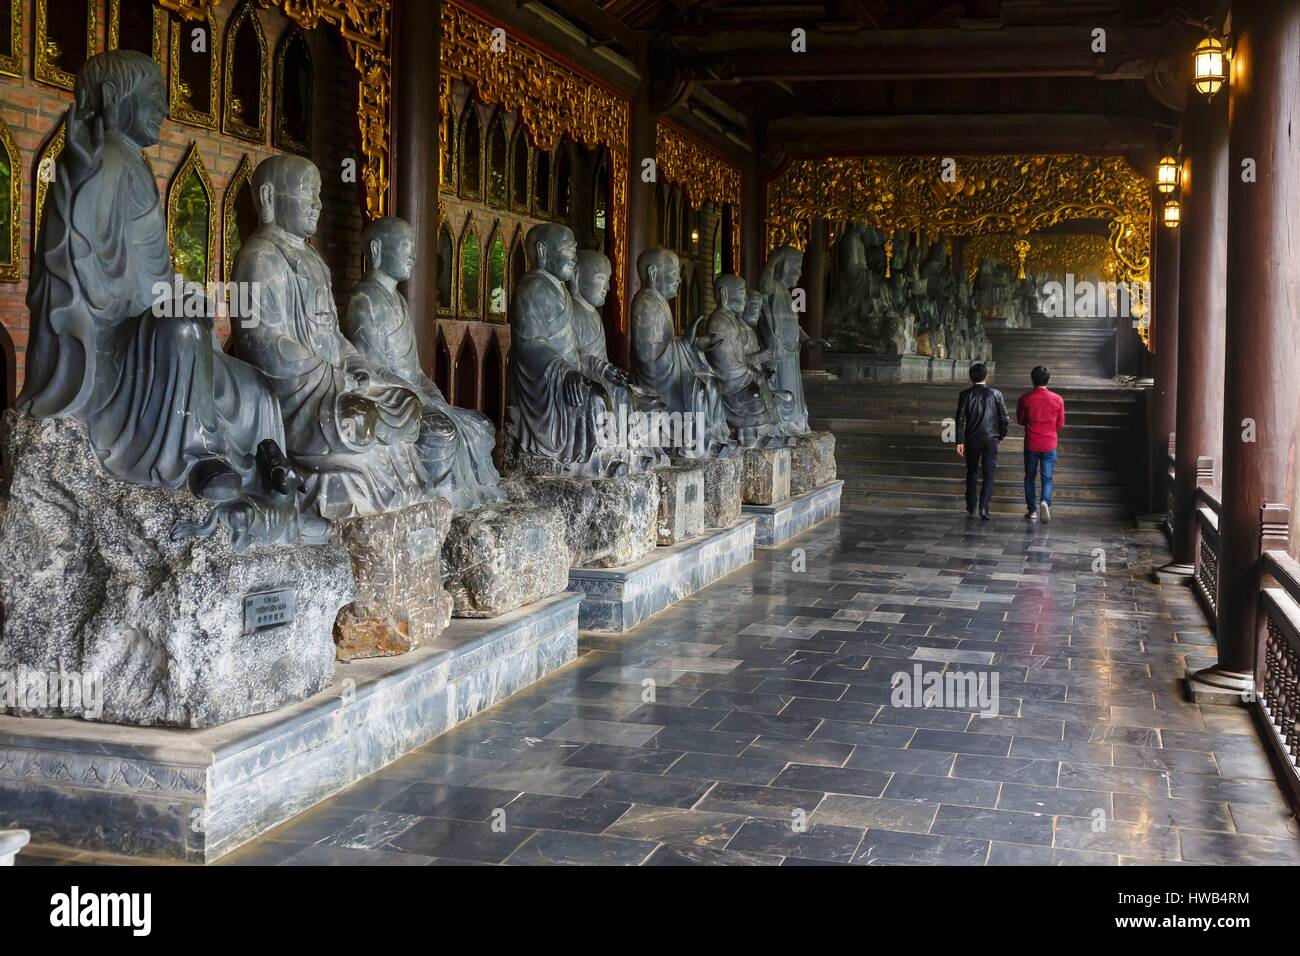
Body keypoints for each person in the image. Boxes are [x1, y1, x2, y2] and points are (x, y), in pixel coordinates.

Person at [955, 362, 1009, 519]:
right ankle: (984, 508)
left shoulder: (965, 394)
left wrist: (959, 440)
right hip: (990, 439)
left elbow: (960, 419)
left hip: (971, 439)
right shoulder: (996, 394)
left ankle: (970, 505)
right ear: (987, 376)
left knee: (971, 472)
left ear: (970, 377)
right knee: (989, 473)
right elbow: (1004, 418)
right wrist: (1001, 436)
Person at [1016, 364, 1066, 523]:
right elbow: (1060, 423)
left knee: (1029, 477)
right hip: (1049, 443)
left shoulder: (1025, 399)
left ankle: (1032, 511)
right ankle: (1045, 501)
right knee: (1047, 478)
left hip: (1031, 443)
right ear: (1048, 380)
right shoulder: (1058, 399)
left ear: (1032, 380)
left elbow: (1021, 420)